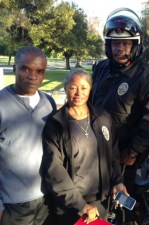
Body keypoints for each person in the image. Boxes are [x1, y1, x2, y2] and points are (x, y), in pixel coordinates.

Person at [0, 46, 57, 225]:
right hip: (12, 206)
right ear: (14, 68)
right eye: (26, 69)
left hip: (47, 201)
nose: (33, 76)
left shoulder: (48, 103)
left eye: (39, 71)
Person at [91, 7, 149, 200]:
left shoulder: (147, 77)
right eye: (115, 43)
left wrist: (133, 151)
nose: (120, 48)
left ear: (135, 46)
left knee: (121, 203)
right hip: (95, 150)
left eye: (125, 43)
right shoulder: (101, 69)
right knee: (96, 201)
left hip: (125, 157)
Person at [42, 68, 127, 225]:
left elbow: (112, 154)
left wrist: (117, 181)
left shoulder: (102, 117)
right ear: (65, 88)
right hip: (72, 206)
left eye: (83, 87)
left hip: (101, 202)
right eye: (73, 87)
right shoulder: (56, 124)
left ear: (90, 88)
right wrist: (81, 205)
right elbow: (54, 171)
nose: (78, 93)